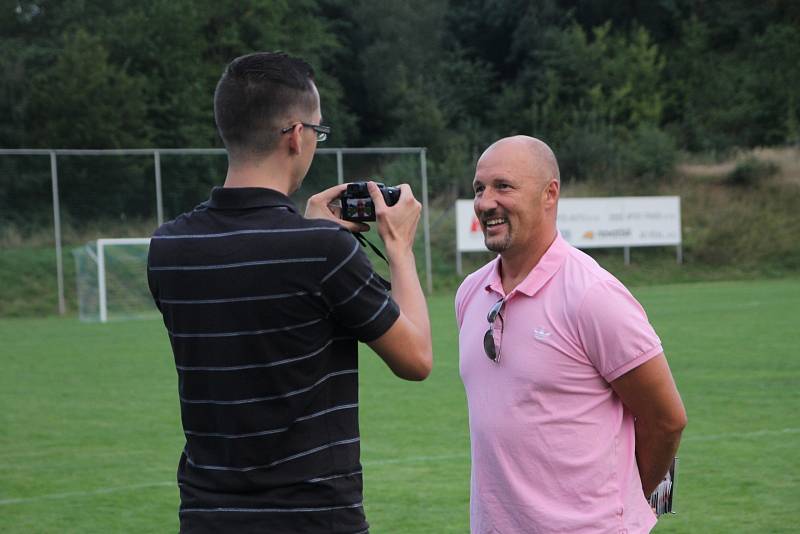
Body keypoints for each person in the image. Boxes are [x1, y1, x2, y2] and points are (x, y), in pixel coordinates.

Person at [147, 51, 432, 534]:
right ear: (296, 135)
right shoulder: (323, 251)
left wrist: (302, 231)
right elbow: (417, 358)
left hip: (207, 517)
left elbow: (260, 282)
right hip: (313, 518)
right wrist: (399, 246)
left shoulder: (170, 245)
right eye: (319, 131)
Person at [455, 135, 687, 533]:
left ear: (549, 194)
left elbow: (666, 420)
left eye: (503, 186)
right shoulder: (470, 293)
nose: (485, 201)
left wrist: (619, 503)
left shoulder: (593, 295)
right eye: (480, 188)